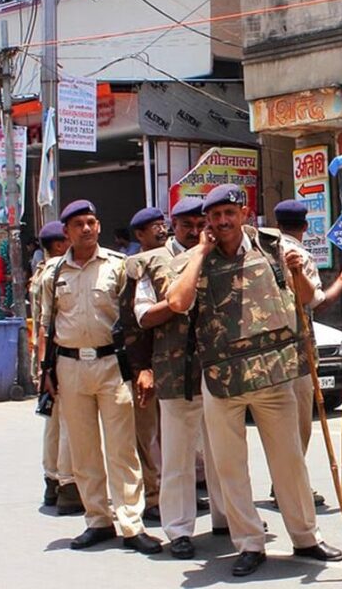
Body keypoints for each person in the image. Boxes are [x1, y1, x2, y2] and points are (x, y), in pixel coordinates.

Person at [166, 184, 342, 577]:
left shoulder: (274, 246)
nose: (223, 221)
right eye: (215, 216)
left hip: (273, 375)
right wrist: (201, 253)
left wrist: (296, 271)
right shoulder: (196, 258)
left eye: (229, 213)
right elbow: (177, 302)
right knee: (230, 468)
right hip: (222, 380)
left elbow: (307, 298)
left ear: (244, 214)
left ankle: (306, 536)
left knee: (290, 462)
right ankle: (249, 543)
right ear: (207, 221)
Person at [38, 199, 161, 554]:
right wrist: (44, 371)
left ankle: (131, 523)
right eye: (79, 224)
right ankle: (97, 520)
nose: (87, 229)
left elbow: (135, 322)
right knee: (84, 449)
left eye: (91, 222)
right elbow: (46, 325)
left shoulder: (118, 266)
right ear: (67, 232)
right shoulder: (53, 274)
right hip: (70, 366)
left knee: (122, 448)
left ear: (99, 226)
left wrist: (143, 367)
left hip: (112, 365)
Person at [129, 197, 228, 559]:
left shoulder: (221, 255)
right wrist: (174, 304)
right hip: (174, 372)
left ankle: (227, 518)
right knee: (177, 456)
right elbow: (140, 319)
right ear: (173, 226)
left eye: (201, 224)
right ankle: (179, 529)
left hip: (218, 371)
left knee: (224, 452)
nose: (195, 231)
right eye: (187, 225)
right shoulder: (154, 262)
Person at [273, 198, 342, 509]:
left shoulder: (267, 250)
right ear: (306, 226)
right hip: (298, 347)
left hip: (272, 347)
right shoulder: (299, 255)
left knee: (279, 423)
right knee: (299, 424)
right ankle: (291, 486)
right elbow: (317, 302)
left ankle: (283, 483)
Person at [116, 207, 168, 521]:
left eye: (163, 224)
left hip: (174, 363)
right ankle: (153, 496)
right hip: (146, 363)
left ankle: (175, 493)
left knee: (172, 434)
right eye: (153, 227)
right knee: (147, 434)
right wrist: (141, 368)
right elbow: (131, 323)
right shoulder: (134, 268)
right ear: (140, 235)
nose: (161, 230)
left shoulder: (173, 260)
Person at [30, 221, 83, 516]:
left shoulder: (40, 272)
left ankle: (51, 480)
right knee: (68, 422)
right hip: (57, 354)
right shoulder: (57, 272)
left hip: (44, 355)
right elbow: (47, 323)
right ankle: (68, 484)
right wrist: (47, 365)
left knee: (53, 421)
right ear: (61, 244)